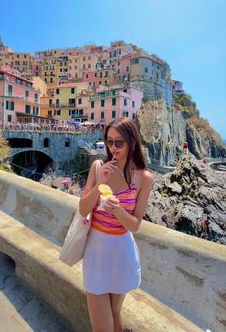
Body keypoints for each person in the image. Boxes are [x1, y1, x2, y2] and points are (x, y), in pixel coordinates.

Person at [79, 117, 154, 332]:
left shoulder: (144, 177)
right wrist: (100, 182)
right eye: (109, 142)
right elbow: (83, 209)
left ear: (132, 142)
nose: (113, 148)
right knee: (102, 327)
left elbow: (135, 225)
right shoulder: (98, 167)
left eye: (119, 143)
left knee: (115, 313)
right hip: (97, 252)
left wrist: (117, 210)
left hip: (122, 253)